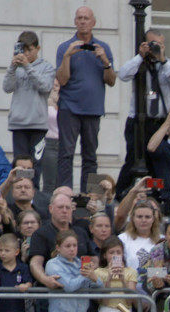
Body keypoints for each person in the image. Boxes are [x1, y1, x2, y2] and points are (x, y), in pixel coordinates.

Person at [114, 28, 170, 197]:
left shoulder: (167, 64)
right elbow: (123, 74)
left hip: (159, 123)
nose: (155, 47)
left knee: (157, 162)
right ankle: (122, 194)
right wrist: (140, 56)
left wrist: (162, 59)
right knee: (133, 159)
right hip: (137, 121)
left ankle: (156, 194)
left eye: (159, 44)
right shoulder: (138, 63)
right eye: (152, 43)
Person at [55, 6, 115, 192]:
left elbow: (111, 81)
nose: (82, 21)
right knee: (66, 154)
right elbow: (62, 80)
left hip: (93, 109)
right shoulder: (65, 47)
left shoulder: (103, 48)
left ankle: (91, 200)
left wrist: (106, 62)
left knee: (91, 156)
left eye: (86, 18)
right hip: (69, 109)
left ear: (93, 22)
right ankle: (63, 196)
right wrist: (67, 57)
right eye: (79, 18)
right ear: (75, 22)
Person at [3, 30, 56, 188]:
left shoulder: (46, 67)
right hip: (19, 123)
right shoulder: (16, 67)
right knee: (19, 165)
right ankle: (19, 192)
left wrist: (27, 67)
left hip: (37, 124)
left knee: (35, 165)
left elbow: (45, 86)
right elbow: (7, 87)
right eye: (23, 50)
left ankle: (33, 196)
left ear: (37, 48)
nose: (25, 54)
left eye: (29, 50)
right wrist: (12, 67)